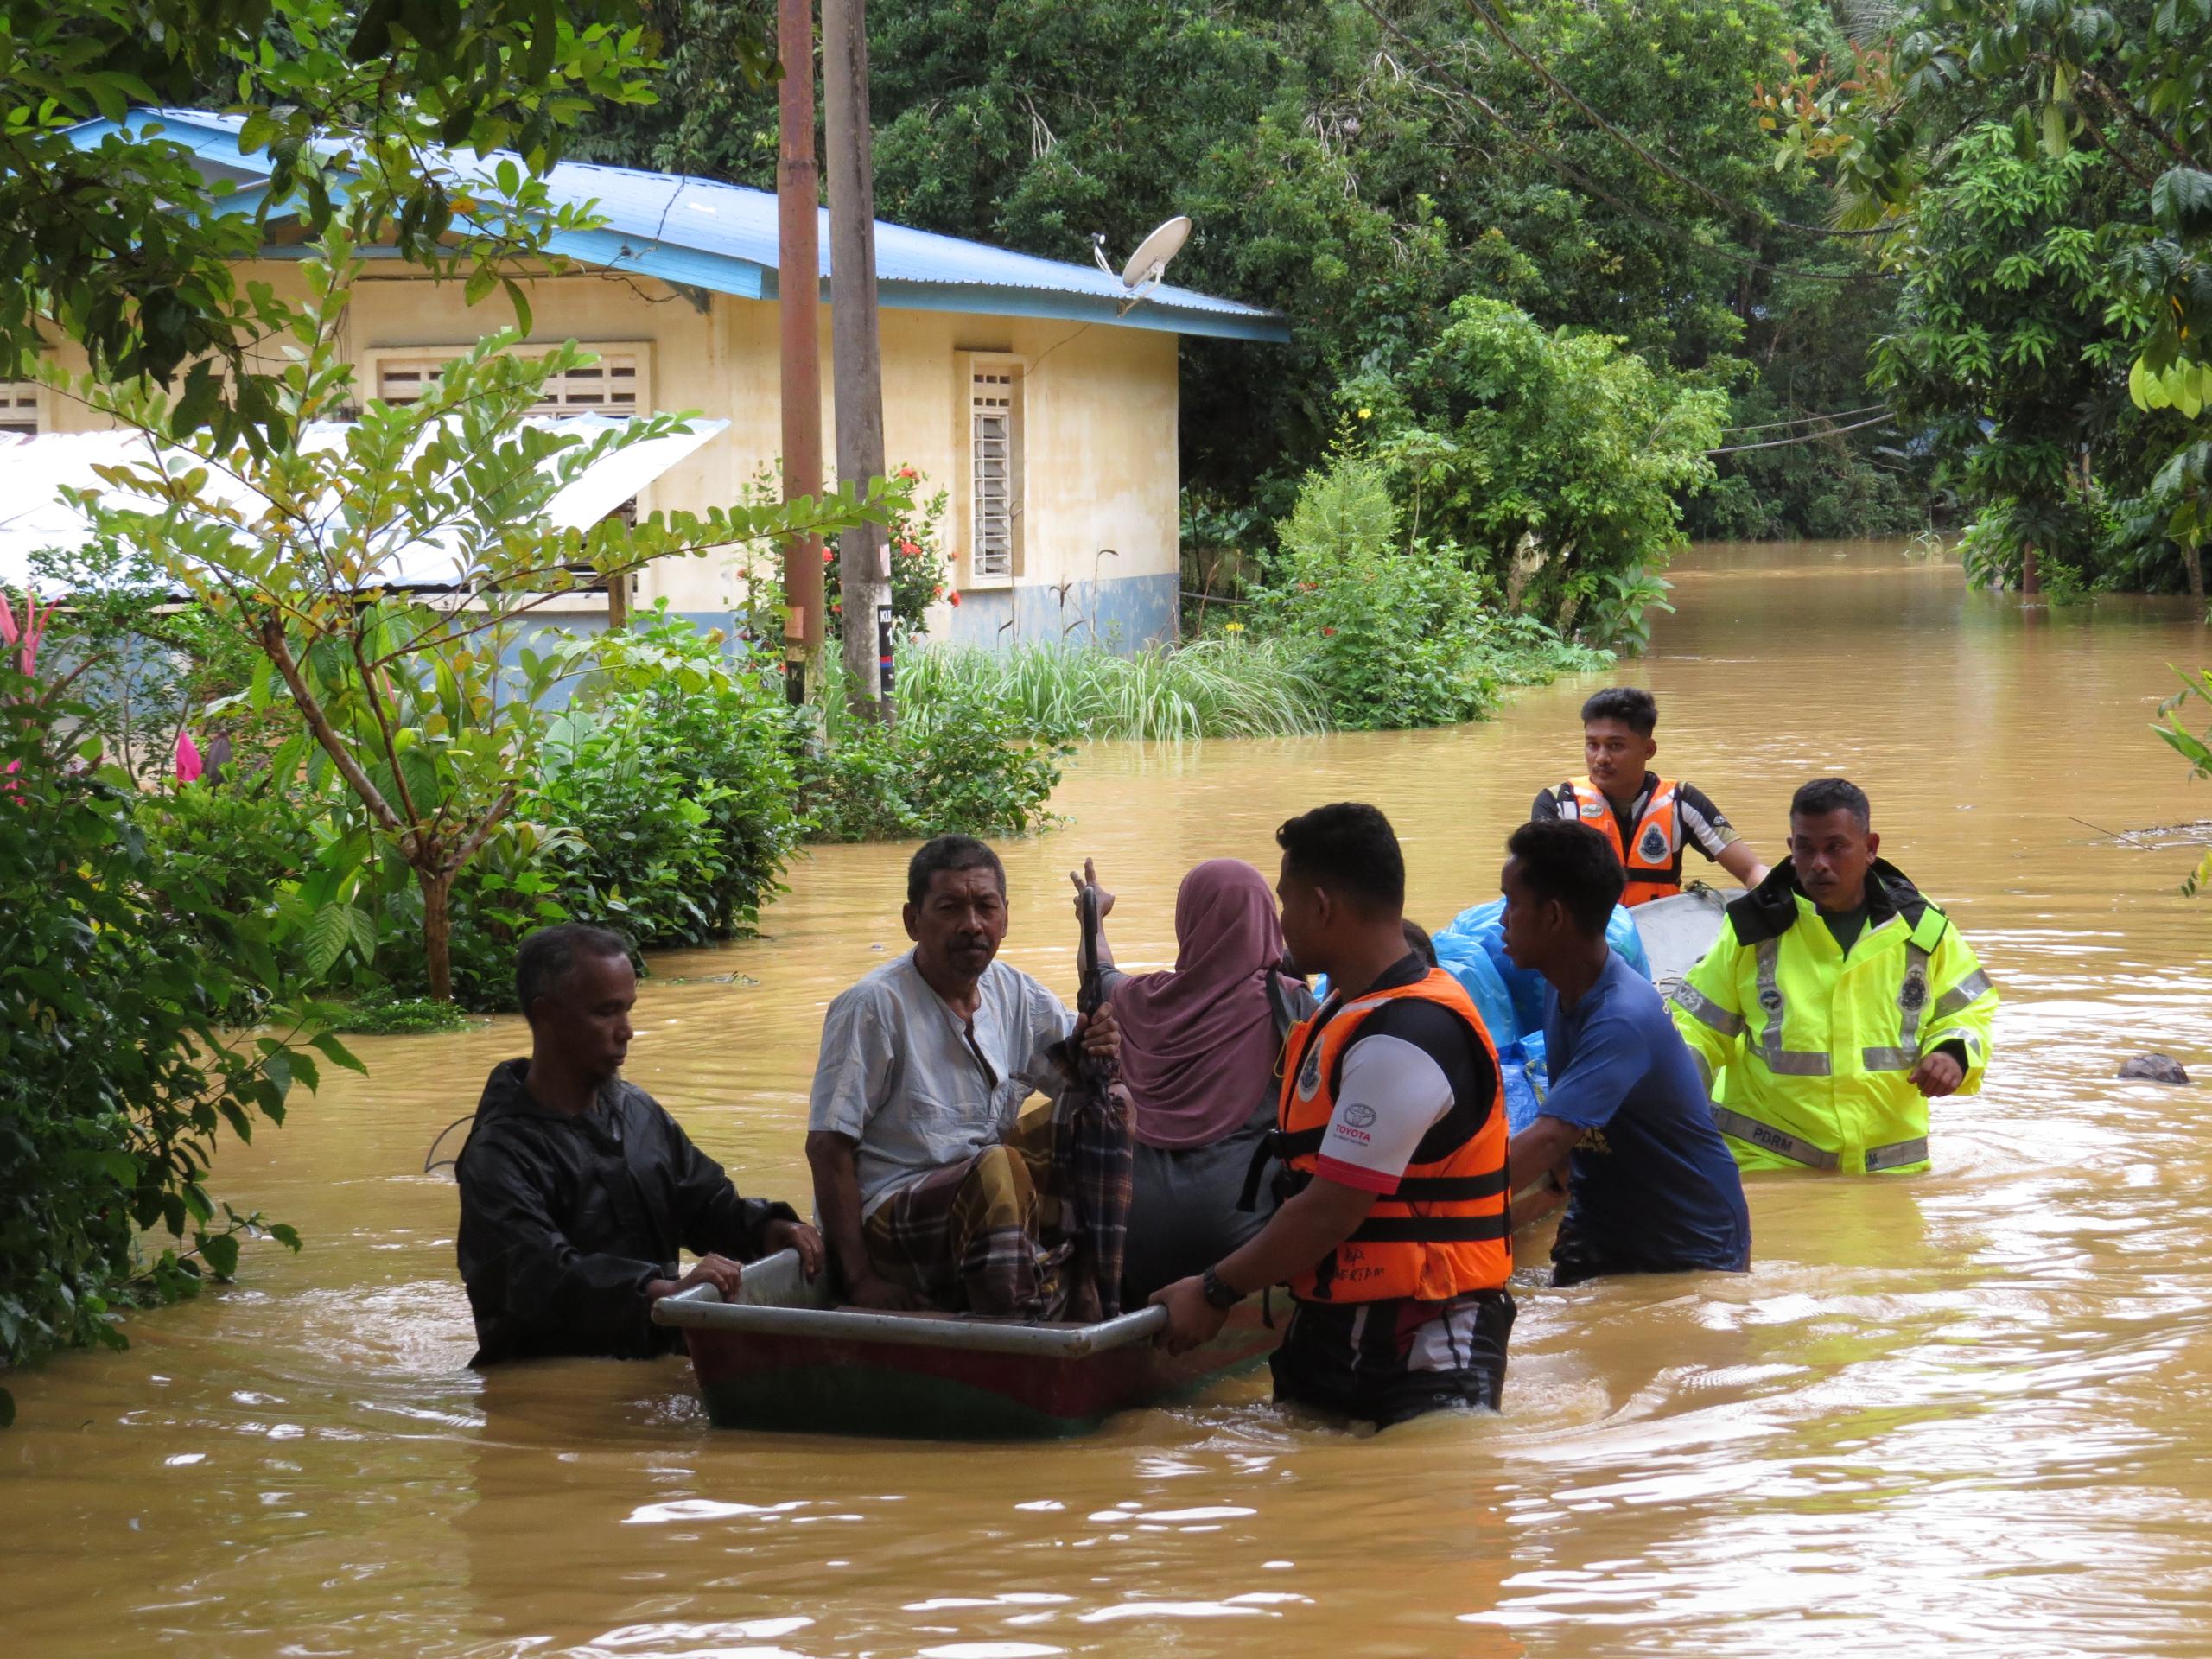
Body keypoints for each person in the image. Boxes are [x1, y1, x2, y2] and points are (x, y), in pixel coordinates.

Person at [1152, 803, 1516, 1428]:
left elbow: (1331, 1208)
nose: (1281, 923)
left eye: (1286, 902)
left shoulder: (1408, 1034)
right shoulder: (1345, 1012)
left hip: (1426, 1339)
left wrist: (1214, 1290)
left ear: (1322, 907)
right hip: (1332, 1324)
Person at [454, 924, 823, 1366]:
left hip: (653, 1355)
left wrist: (769, 1230)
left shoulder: (637, 1111)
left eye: (628, 1009)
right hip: (552, 1384)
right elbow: (540, 1277)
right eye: (605, 1012)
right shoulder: (498, 1153)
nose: (626, 1031)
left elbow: (706, 1203)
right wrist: (662, 1290)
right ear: (546, 1017)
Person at [806, 835, 1128, 1319]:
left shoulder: (1017, 993)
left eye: (985, 907)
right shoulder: (873, 1006)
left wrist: (1099, 1048)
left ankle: (1087, 1286)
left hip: (987, 1204)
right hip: (895, 1221)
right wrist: (860, 1279)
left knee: (1106, 1106)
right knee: (997, 1165)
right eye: (950, 908)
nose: (972, 925)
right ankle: (1014, 1320)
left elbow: (1081, 1084)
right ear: (913, 922)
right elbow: (828, 1146)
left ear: (1005, 918)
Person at [1669, 778, 1999, 1176]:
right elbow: (1696, 1028)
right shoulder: (1752, 929)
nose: (1819, 863)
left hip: (1891, 1169)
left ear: (1871, 848)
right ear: (1791, 850)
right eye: (1806, 847)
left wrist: (1953, 1051)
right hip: (1765, 1161)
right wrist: (1676, 1115)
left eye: (1835, 847)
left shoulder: (1922, 927)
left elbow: (1971, 1008)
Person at [1497, 819, 1751, 1283]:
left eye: (1511, 903)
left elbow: (1551, 1137)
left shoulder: (1620, 1018)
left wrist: (1438, 1203)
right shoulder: (1562, 988)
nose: (1500, 921)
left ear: (1554, 917)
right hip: (1604, 1230)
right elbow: (1563, 1154)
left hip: (1689, 1249)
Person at [1073, 856, 1317, 1306]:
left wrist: (1093, 917)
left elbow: (1095, 973)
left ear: (1188, 921)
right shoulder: (1294, 1005)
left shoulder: (1142, 998)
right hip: (1233, 1249)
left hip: (1130, 1241)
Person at [1531, 686, 1769, 903]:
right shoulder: (1558, 803)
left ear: (1649, 750)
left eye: (1615, 746)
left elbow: (1750, 870)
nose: (1601, 758)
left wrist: (1779, 894)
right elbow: (1537, 882)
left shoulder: (1682, 801)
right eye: (1593, 744)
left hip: (1659, 936)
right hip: (1585, 939)